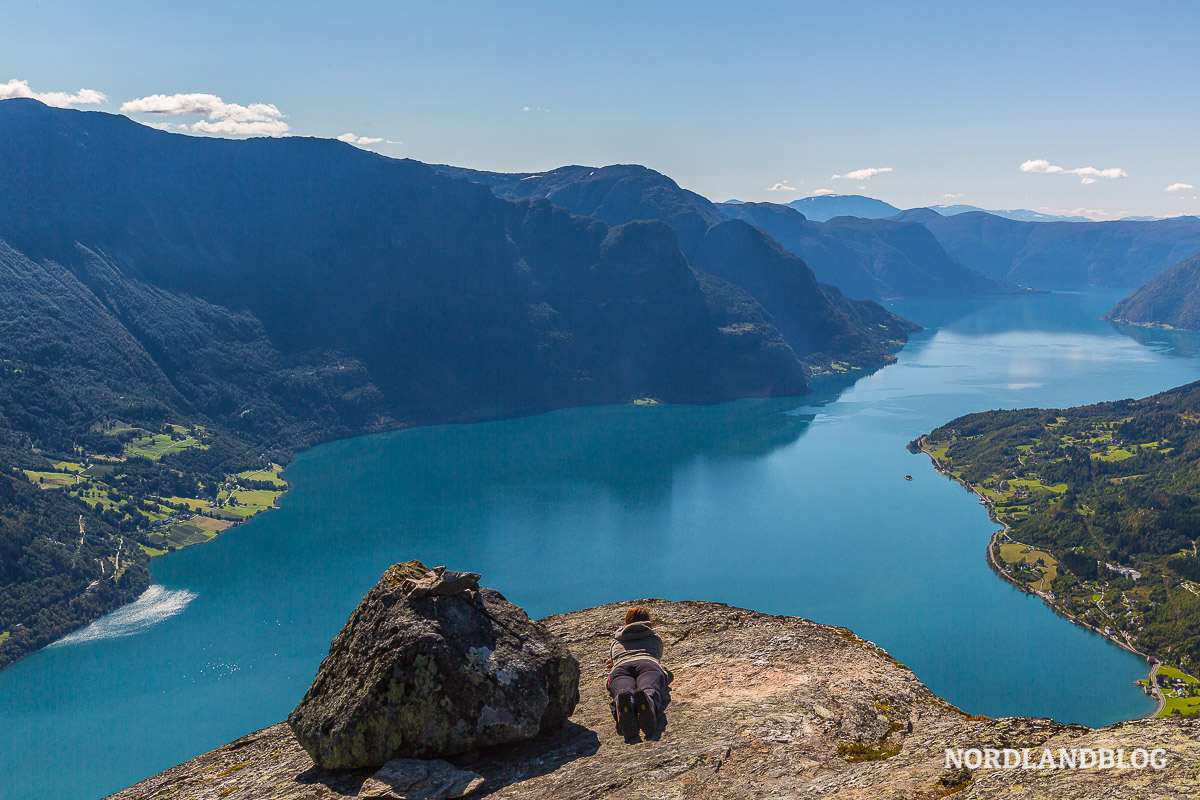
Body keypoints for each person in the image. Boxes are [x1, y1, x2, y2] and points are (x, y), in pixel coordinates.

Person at [605, 606, 670, 739]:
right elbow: (657, 655)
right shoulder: (654, 638)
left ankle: (623, 704)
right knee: (649, 687)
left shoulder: (616, 641)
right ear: (647, 621)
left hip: (620, 667)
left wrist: (615, 660)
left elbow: (614, 658)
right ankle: (648, 702)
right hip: (648, 663)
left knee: (622, 689)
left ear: (626, 622)